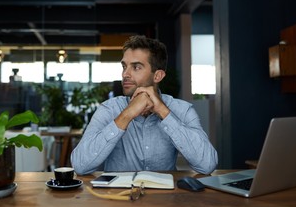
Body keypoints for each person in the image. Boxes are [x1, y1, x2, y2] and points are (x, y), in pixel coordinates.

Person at [71, 35, 218, 175]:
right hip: (118, 198)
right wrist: (126, 115)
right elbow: (80, 165)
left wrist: (162, 111)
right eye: (124, 66)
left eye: (136, 67)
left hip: (164, 199)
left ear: (157, 76)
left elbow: (207, 165)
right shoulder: (108, 109)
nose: (125, 74)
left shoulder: (182, 110)